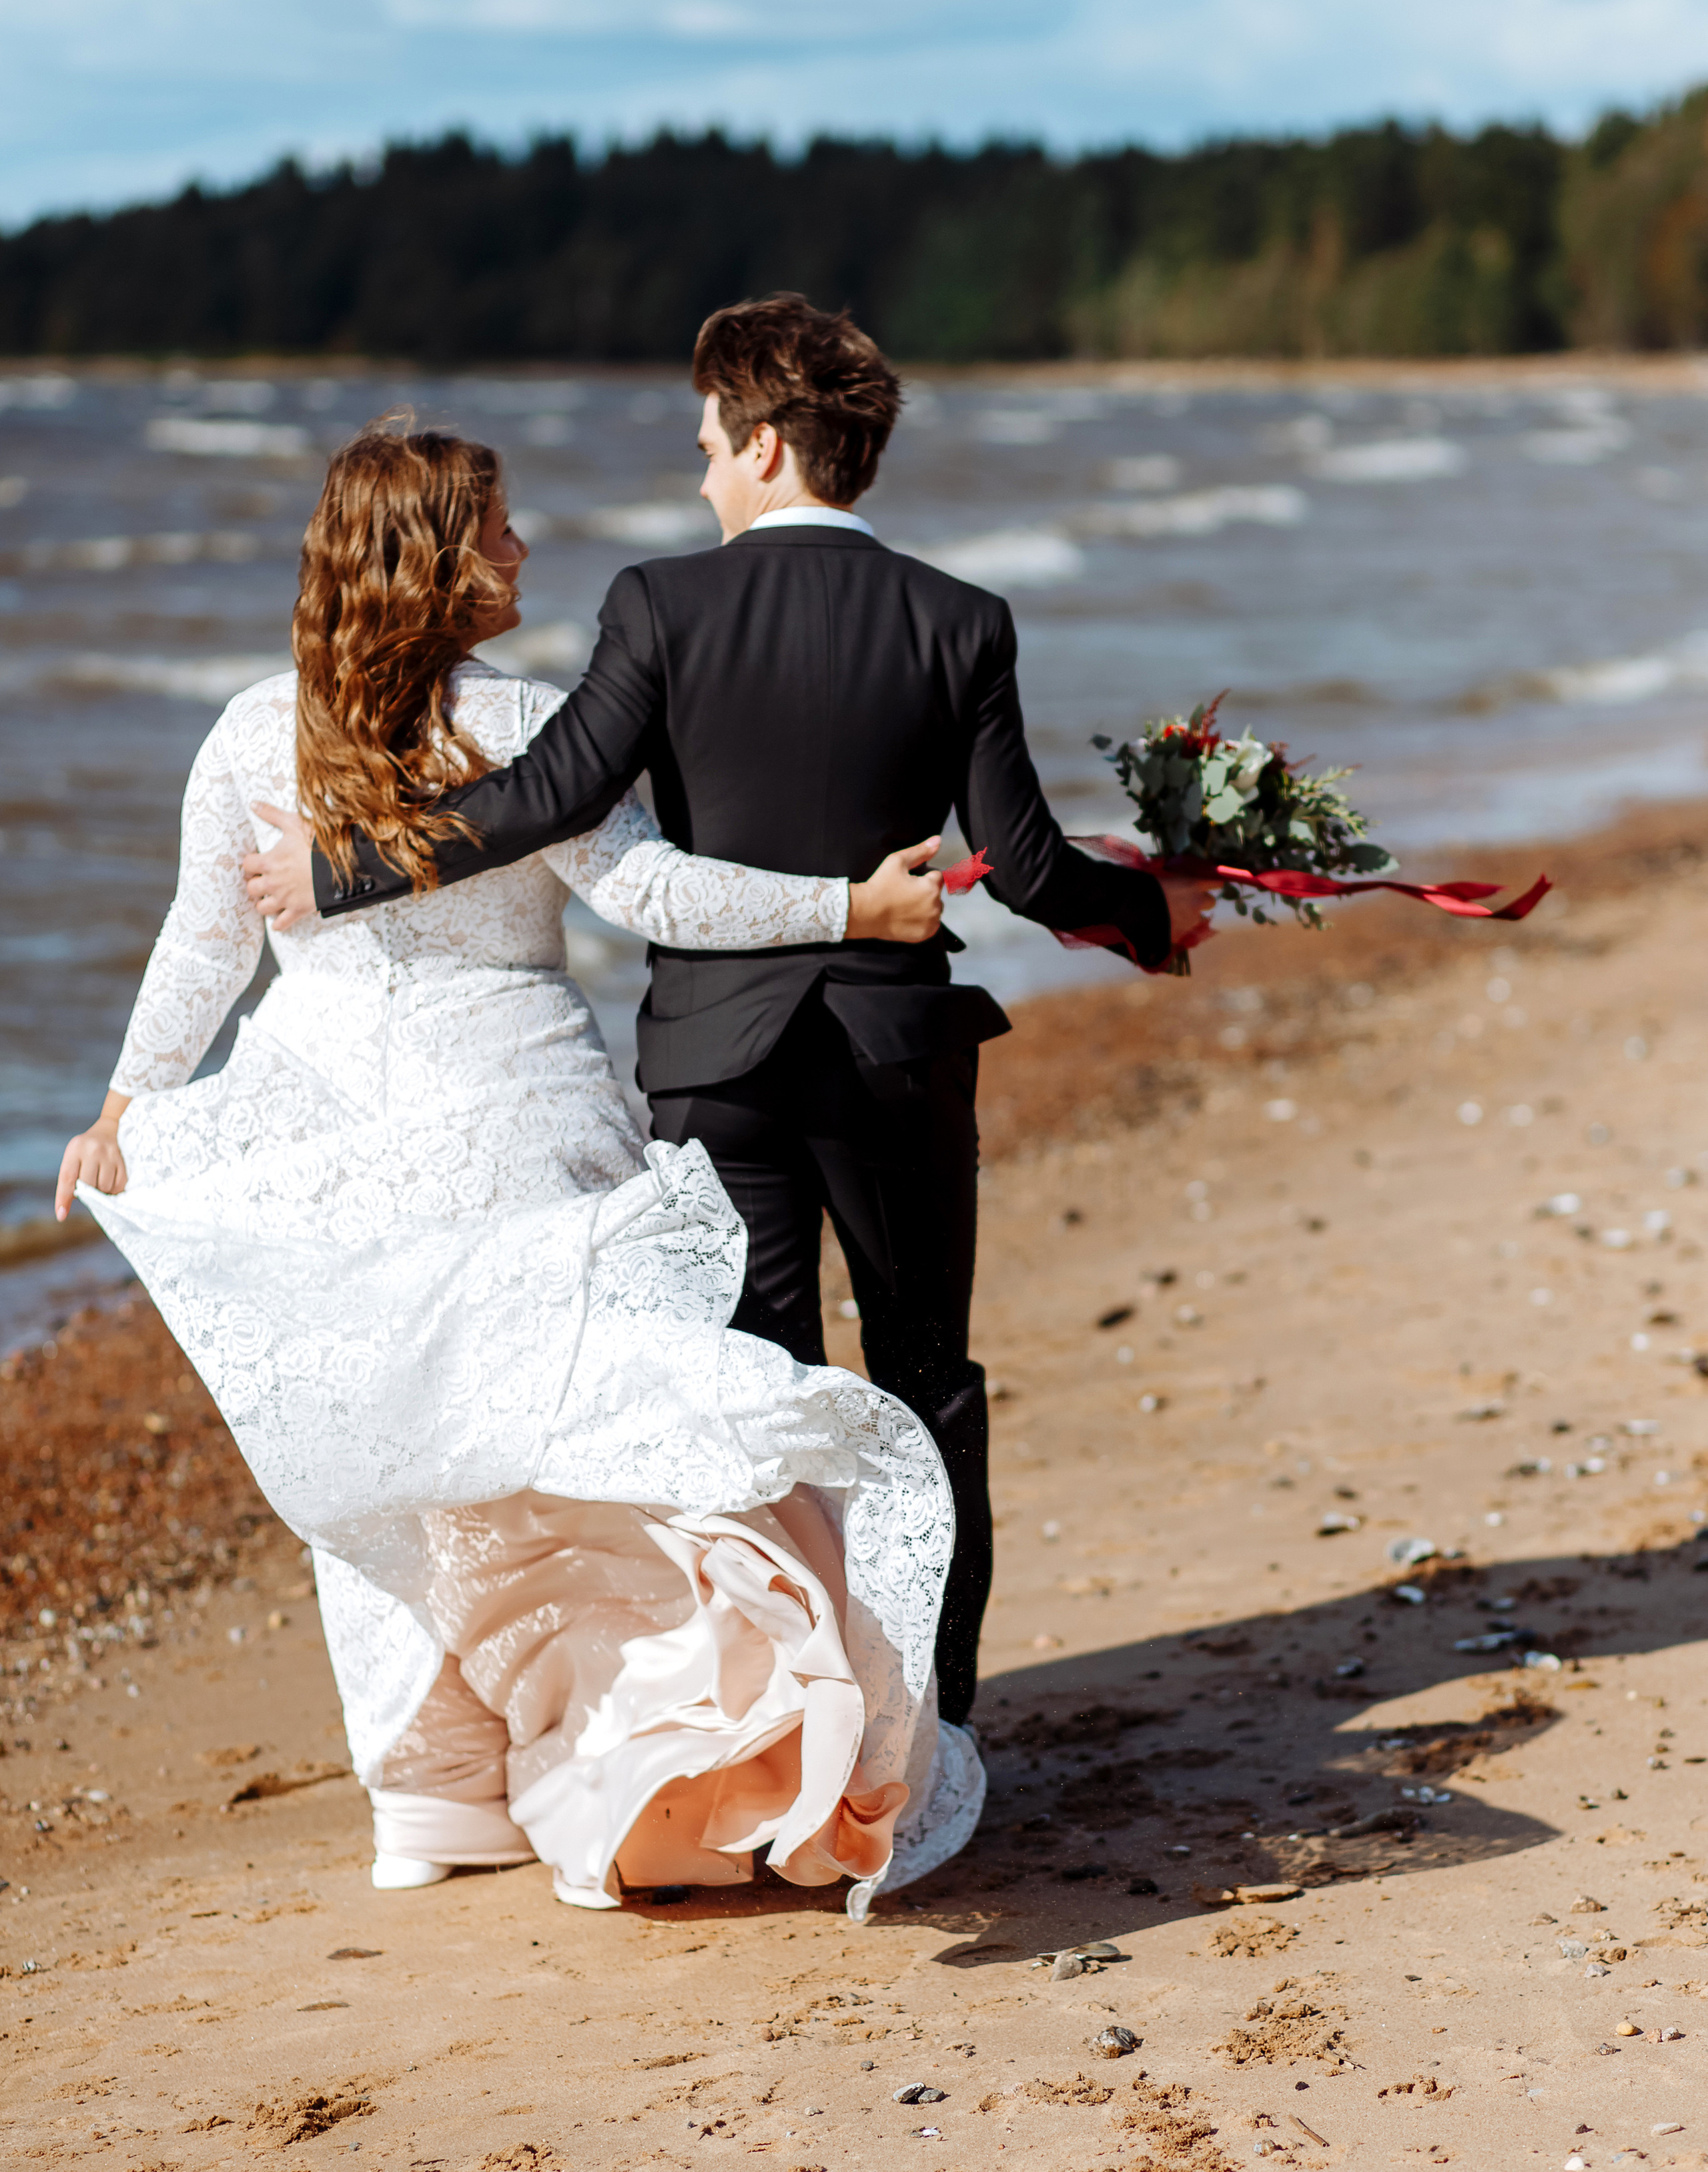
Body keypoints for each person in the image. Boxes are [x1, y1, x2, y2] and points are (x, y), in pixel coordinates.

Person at [244, 298, 1216, 1726]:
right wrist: (1153, 918)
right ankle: (935, 1718)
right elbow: (1021, 864)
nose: (700, 471)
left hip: (716, 1069)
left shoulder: (659, 605)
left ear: (765, 445)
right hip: (895, 1058)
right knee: (927, 1377)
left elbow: (545, 800)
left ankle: (803, 1719)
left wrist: (342, 871)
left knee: (757, 1397)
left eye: (708, 442)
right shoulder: (962, 619)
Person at [57, 417, 983, 1915]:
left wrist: (124, 1099)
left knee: (386, 1461)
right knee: (586, 1443)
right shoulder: (528, 725)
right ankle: (663, 1741)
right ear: (426, 557)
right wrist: (846, 906)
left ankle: (432, 1802)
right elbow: (650, 894)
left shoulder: (248, 731)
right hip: (512, 1120)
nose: (520, 548)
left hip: (333, 1138)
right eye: (492, 528)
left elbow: (205, 947)